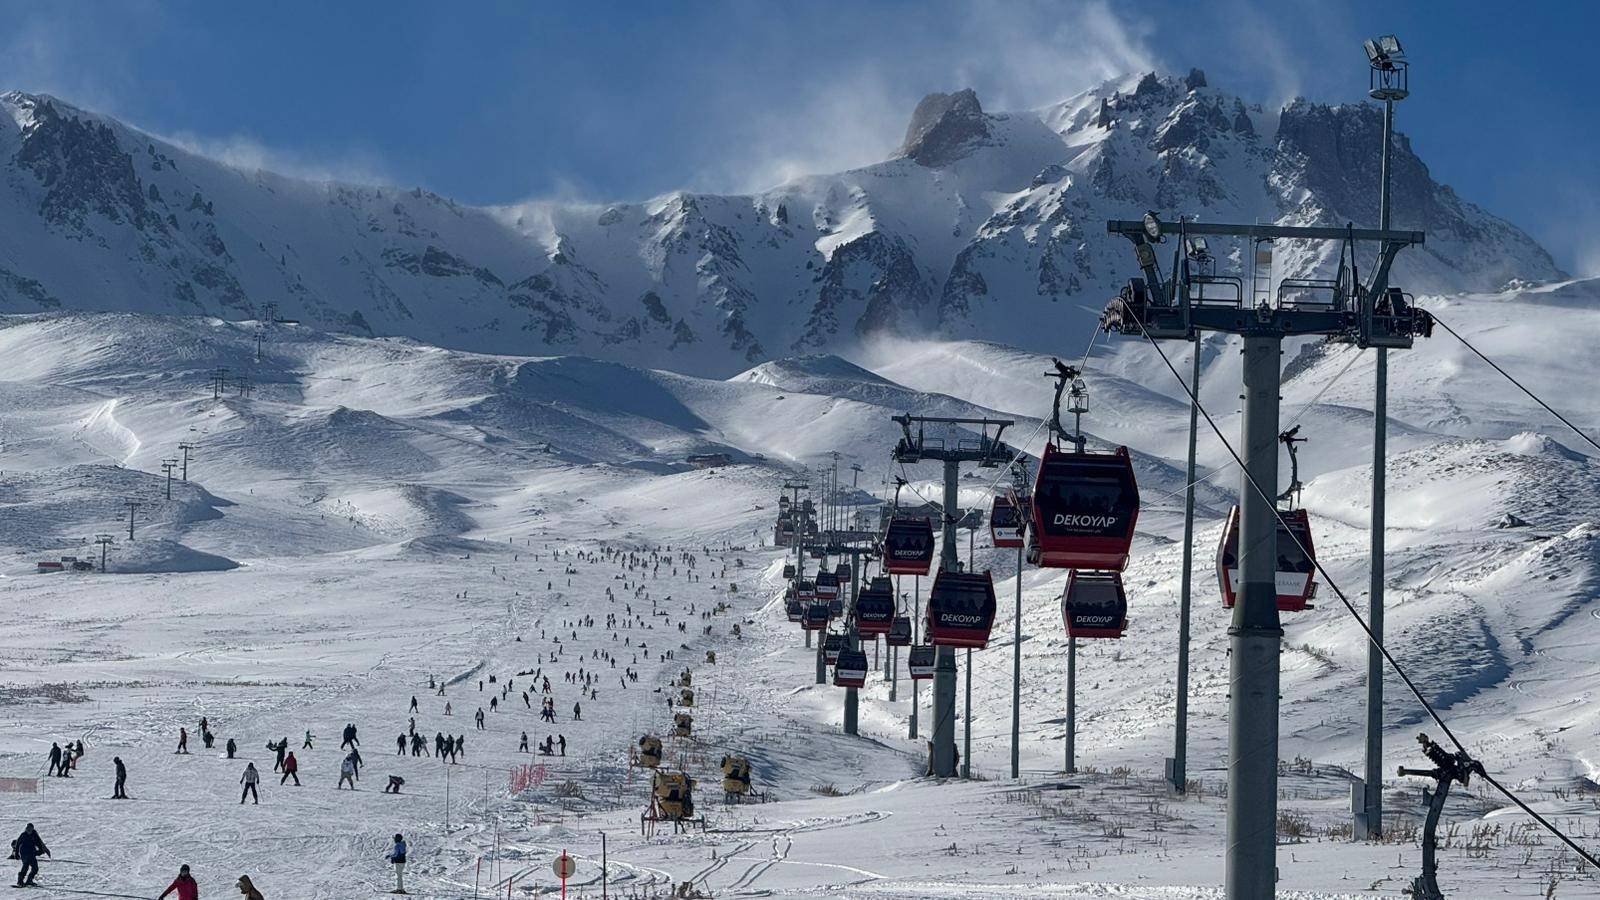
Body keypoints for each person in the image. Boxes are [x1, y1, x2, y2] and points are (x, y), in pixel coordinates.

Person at [13, 823, 47, 888]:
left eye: (30, 828)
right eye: (27, 828)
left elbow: (38, 843)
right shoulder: (23, 835)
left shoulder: (34, 835)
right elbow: (18, 844)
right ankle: (20, 881)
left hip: (32, 853)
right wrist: (16, 853)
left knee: (35, 868)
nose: (28, 830)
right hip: (24, 853)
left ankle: (29, 880)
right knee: (26, 866)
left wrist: (41, 850)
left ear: (32, 829)